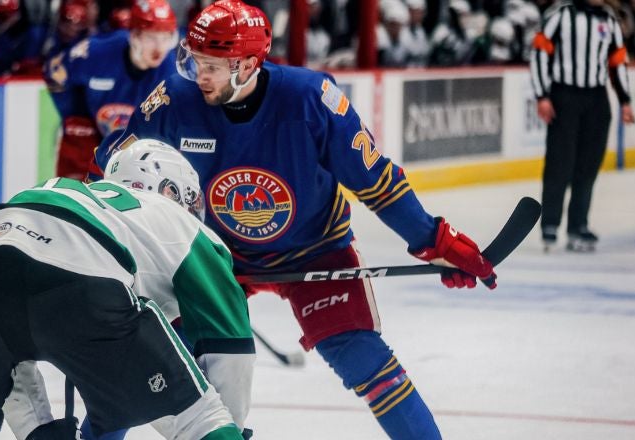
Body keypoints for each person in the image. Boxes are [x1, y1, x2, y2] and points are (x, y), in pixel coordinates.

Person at [93, 1, 498, 438]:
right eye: (193, 61)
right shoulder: (175, 99)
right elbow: (118, 167)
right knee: (144, 363)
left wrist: (434, 239)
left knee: (364, 360)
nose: (199, 76)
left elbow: (376, 181)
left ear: (248, 65)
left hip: (316, 251)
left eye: (211, 66)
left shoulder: (310, 99)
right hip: (215, 256)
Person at [0, 140, 251, 440]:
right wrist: (227, 425)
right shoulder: (182, 225)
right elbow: (230, 346)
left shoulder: (76, 195)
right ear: (171, 191)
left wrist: (38, 429)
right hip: (85, 277)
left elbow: (9, 349)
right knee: (200, 418)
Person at [529, 0, 635, 252]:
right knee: (559, 162)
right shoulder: (560, 15)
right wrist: (542, 95)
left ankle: (578, 226)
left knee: (588, 165)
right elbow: (540, 52)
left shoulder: (609, 21)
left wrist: (625, 100)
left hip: (596, 99)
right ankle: (550, 224)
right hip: (564, 96)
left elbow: (618, 61)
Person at [44, 0, 178, 180]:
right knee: (75, 189)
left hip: (137, 145)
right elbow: (53, 72)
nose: (159, 48)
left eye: (166, 38)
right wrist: (75, 113)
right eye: (151, 37)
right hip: (90, 135)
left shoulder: (172, 72)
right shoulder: (97, 52)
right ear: (134, 35)